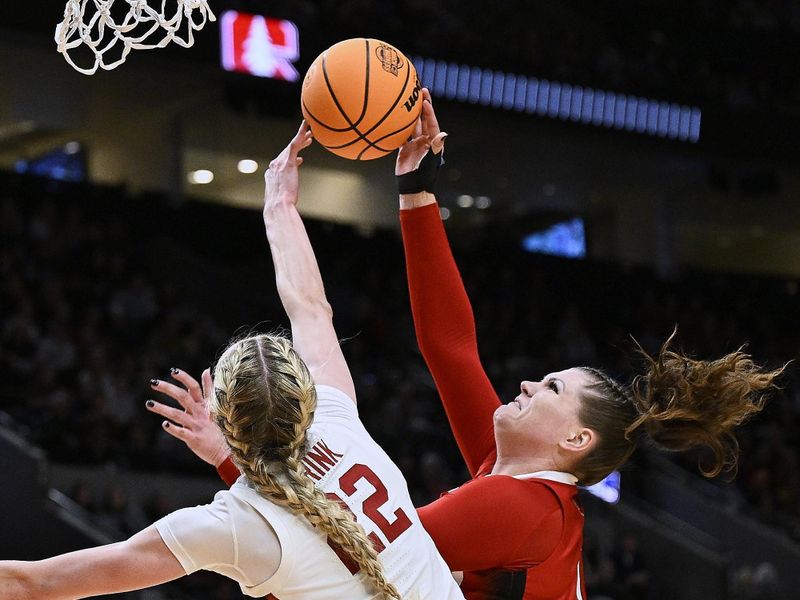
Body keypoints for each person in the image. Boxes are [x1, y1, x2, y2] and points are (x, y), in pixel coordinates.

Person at [175, 93, 784, 600]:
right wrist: (417, 194)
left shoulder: (520, 506)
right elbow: (450, 347)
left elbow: (355, 557)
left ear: (575, 440)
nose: (525, 383)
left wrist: (234, 463)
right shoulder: (519, 487)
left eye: (551, 388)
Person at [0, 124, 465, 600]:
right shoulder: (338, 422)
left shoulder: (234, 527)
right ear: (304, 399)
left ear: (225, 418)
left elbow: (40, 582)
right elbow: (309, 306)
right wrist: (279, 203)